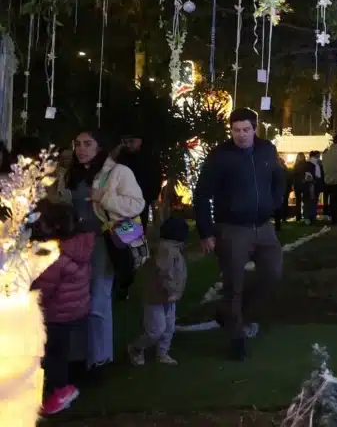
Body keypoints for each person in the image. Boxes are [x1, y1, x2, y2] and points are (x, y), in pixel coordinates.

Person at [195, 107, 286, 360]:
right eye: (236, 130)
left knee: (273, 273)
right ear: (230, 130)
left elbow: (279, 176)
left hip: (263, 226)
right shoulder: (220, 156)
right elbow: (202, 194)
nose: (241, 135)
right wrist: (206, 232)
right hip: (232, 228)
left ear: (255, 129)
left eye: (246, 130)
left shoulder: (267, 149)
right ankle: (237, 338)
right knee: (233, 284)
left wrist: (276, 200)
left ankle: (234, 316)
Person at [49, 129, 144, 369]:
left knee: (99, 299)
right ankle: (79, 357)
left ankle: (99, 358)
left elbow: (136, 204)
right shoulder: (70, 174)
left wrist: (104, 197)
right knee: (75, 301)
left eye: (87, 144)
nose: (81, 149)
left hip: (103, 241)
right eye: (78, 143)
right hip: (74, 243)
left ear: (99, 147)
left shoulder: (117, 172)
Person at [30, 199, 94, 415]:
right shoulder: (81, 245)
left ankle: (61, 391)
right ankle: (63, 386)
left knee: (53, 355)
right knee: (61, 352)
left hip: (57, 314)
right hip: (76, 310)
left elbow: (44, 291)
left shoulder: (55, 257)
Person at [127, 216, 188, 366]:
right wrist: (173, 290)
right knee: (156, 329)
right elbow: (164, 273)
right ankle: (136, 348)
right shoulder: (166, 250)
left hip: (169, 296)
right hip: (157, 296)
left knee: (169, 327)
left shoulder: (173, 249)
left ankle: (162, 353)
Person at [115, 130, 162, 227]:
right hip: (122, 201)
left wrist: (152, 198)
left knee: (136, 232)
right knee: (124, 233)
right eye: (125, 142)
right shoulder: (122, 157)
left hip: (141, 201)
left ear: (139, 141)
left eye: (131, 141)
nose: (128, 145)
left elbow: (155, 178)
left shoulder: (149, 158)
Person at [291, 152, 312, 223]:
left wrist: (293, 185)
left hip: (297, 185)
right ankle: (306, 217)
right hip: (305, 184)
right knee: (306, 201)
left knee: (298, 202)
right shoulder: (308, 164)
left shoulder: (296, 165)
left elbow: (293, 176)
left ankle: (298, 217)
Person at [308, 150, 326, 220]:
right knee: (314, 199)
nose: (319, 156)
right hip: (315, 181)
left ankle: (312, 215)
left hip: (316, 181)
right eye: (318, 155)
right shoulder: (315, 162)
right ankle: (312, 215)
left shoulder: (316, 162)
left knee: (314, 199)